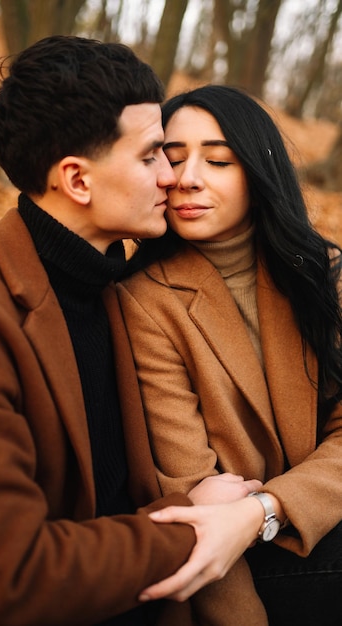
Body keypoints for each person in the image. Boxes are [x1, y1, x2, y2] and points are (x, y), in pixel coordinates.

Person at [0, 41, 263, 626]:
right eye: (154, 155)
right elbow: (9, 579)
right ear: (77, 180)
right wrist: (190, 524)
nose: (173, 178)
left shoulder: (119, 290)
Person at [118, 84, 342, 626]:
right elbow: (190, 500)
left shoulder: (322, 273)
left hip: (309, 518)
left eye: (217, 160)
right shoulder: (145, 300)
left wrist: (265, 508)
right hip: (239, 566)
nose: (187, 178)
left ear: (258, 173)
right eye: (171, 159)